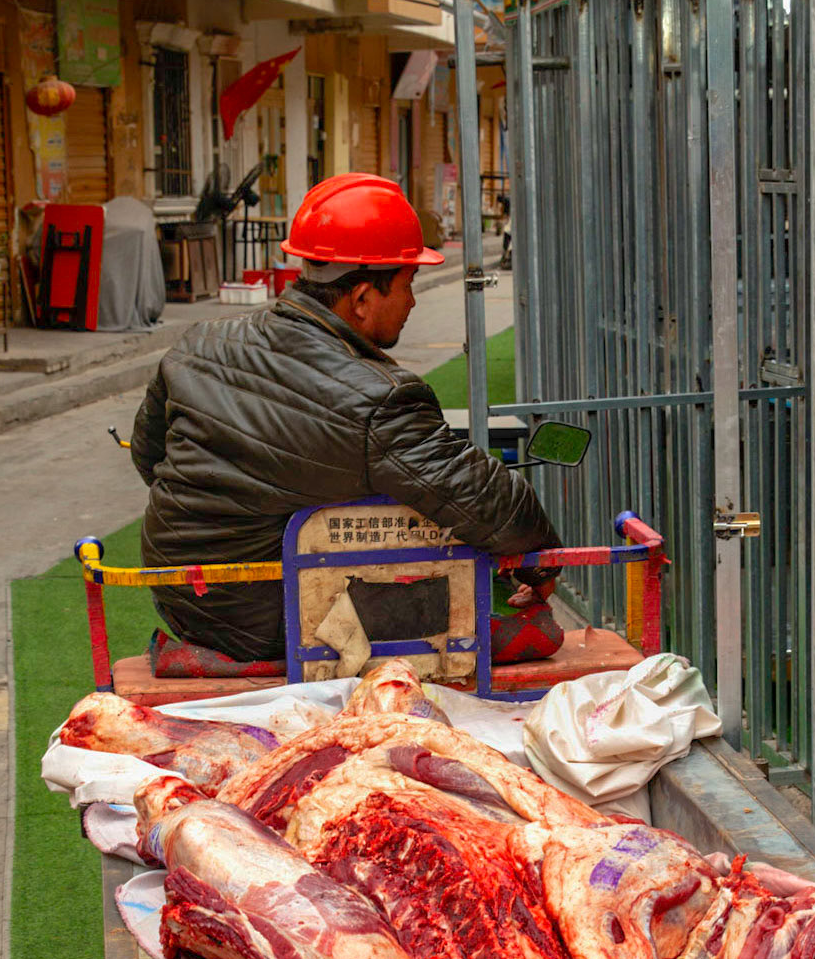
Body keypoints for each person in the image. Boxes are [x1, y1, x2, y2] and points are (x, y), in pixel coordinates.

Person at [130, 172, 561, 670]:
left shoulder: (197, 343)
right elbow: (488, 501)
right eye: (408, 285)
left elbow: (148, 457)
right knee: (473, 612)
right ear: (360, 299)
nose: (413, 302)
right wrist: (541, 561)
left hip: (179, 594)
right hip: (266, 615)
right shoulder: (381, 398)